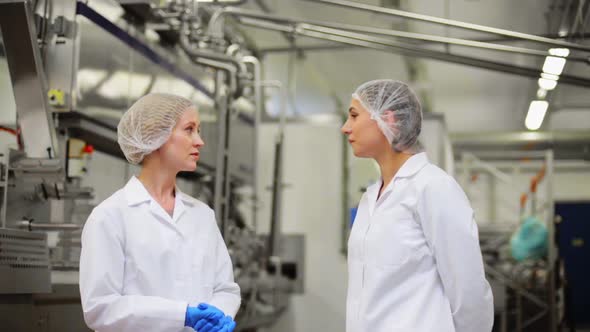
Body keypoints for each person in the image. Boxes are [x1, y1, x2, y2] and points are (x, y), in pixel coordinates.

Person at [341, 80, 493, 332]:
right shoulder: (371, 198)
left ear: (387, 118)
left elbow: (468, 292)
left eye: (354, 116)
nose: (345, 128)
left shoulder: (433, 188)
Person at [79, 93, 240, 332]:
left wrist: (218, 318)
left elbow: (225, 288)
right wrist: (182, 315)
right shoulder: (111, 216)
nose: (199, 141)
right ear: (156, 135)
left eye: (198, 130)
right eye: (189, 129)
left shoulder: (202, 215)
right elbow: (101, 308)